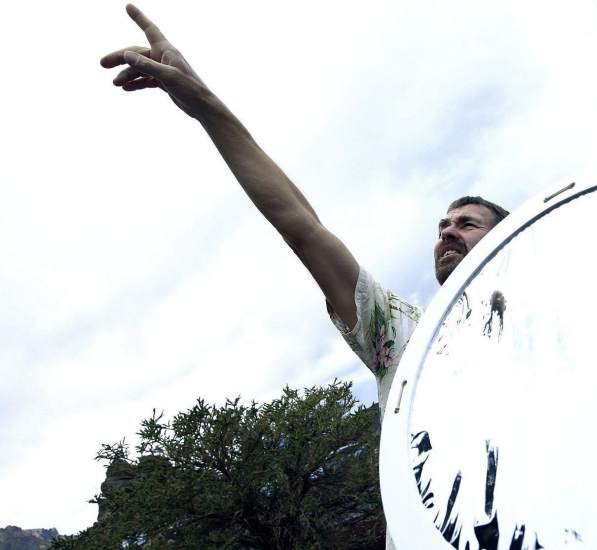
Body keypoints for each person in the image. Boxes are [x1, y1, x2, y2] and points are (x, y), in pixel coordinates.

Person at [100, 0, 508, 466]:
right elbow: (304, 228)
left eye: (467, 224)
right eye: (443, 227)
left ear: (507, 240)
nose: (448, 233)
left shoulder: (555, 326)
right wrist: (205, 105)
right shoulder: (402, 334)